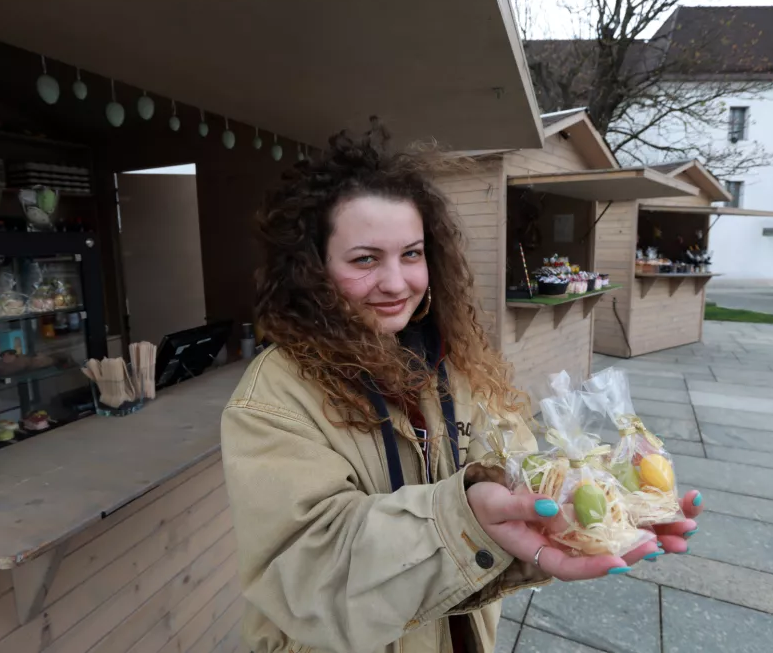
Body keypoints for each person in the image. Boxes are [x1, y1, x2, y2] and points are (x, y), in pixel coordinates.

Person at [221, 122, 702, 653]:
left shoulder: (454, 363)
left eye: (411, 253)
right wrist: (463, 517)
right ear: (311, 269)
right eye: (364, 259)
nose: (396, 282)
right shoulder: (274, 398)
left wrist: (596, 510)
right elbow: (305, 572)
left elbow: (515, 474)